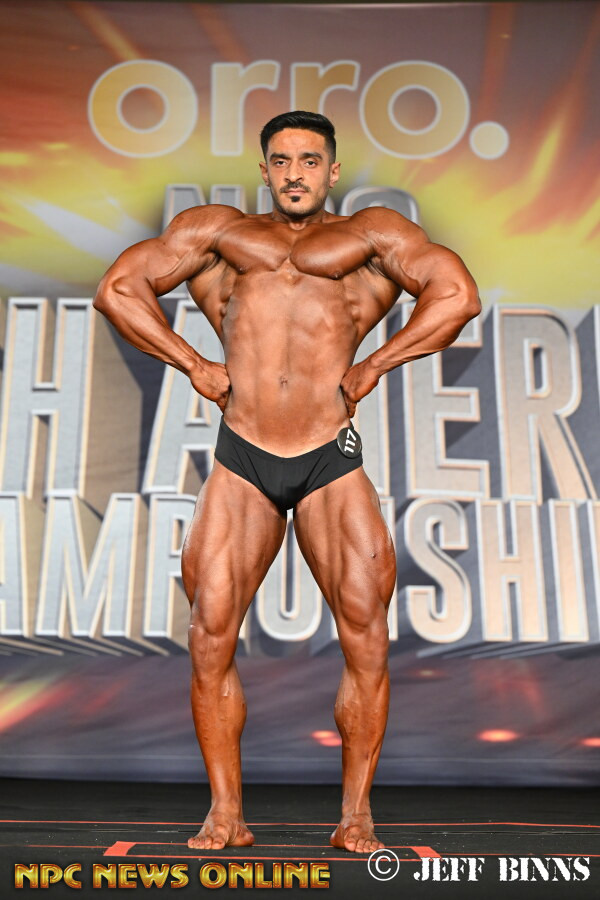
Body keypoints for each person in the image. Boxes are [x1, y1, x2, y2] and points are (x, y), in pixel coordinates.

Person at [94, 110, 480, 854]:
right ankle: (225, 814)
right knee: (210, 633)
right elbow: (118, 289)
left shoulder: (371, 236)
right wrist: (193, 363)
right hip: (243, 454)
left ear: (332, 170)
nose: (295, 173)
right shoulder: (218, 234)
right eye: (281, 160)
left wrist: (376, 363)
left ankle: (356, 816)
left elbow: (457, 295)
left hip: (328, 456)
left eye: (309, 160)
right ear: (264, 169)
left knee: (366, 636)